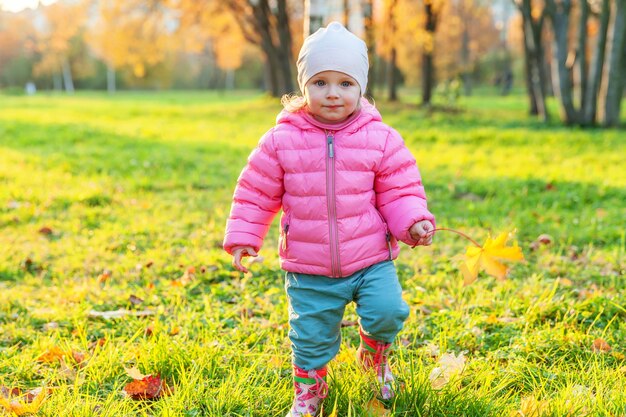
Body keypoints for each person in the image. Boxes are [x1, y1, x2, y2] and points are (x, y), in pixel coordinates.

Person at [223, 22, 435, 417]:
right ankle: (309, 391)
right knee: (310, 336)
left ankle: (374, 357)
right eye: (320, 82)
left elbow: (400, 191)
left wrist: (413, 223)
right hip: (310, 264)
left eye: (345, 83)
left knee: (388, 312)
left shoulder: (382, 138)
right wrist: (243, 237)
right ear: (304, 86)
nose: (333, 93)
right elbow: (255, 192)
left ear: (361, 88)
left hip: (371, 257)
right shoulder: (280, 140)